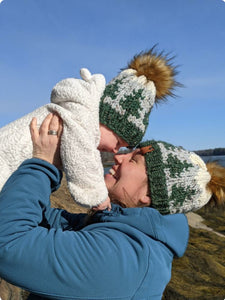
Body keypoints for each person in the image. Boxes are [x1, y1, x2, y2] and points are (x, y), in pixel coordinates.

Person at [1, 114, 224, 300]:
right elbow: (42, 218)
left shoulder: (124, 258)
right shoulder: (115, 225)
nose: (118, 156)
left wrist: (43, 164)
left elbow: (8, 242)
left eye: (134, 160)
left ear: (149, 194)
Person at [0, 46, 180, 208]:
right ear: (108, 120)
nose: (115, 151)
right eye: (118, 142)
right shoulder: (81, 120)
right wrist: (98, 197)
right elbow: (82, 160)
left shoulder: (78, 113)